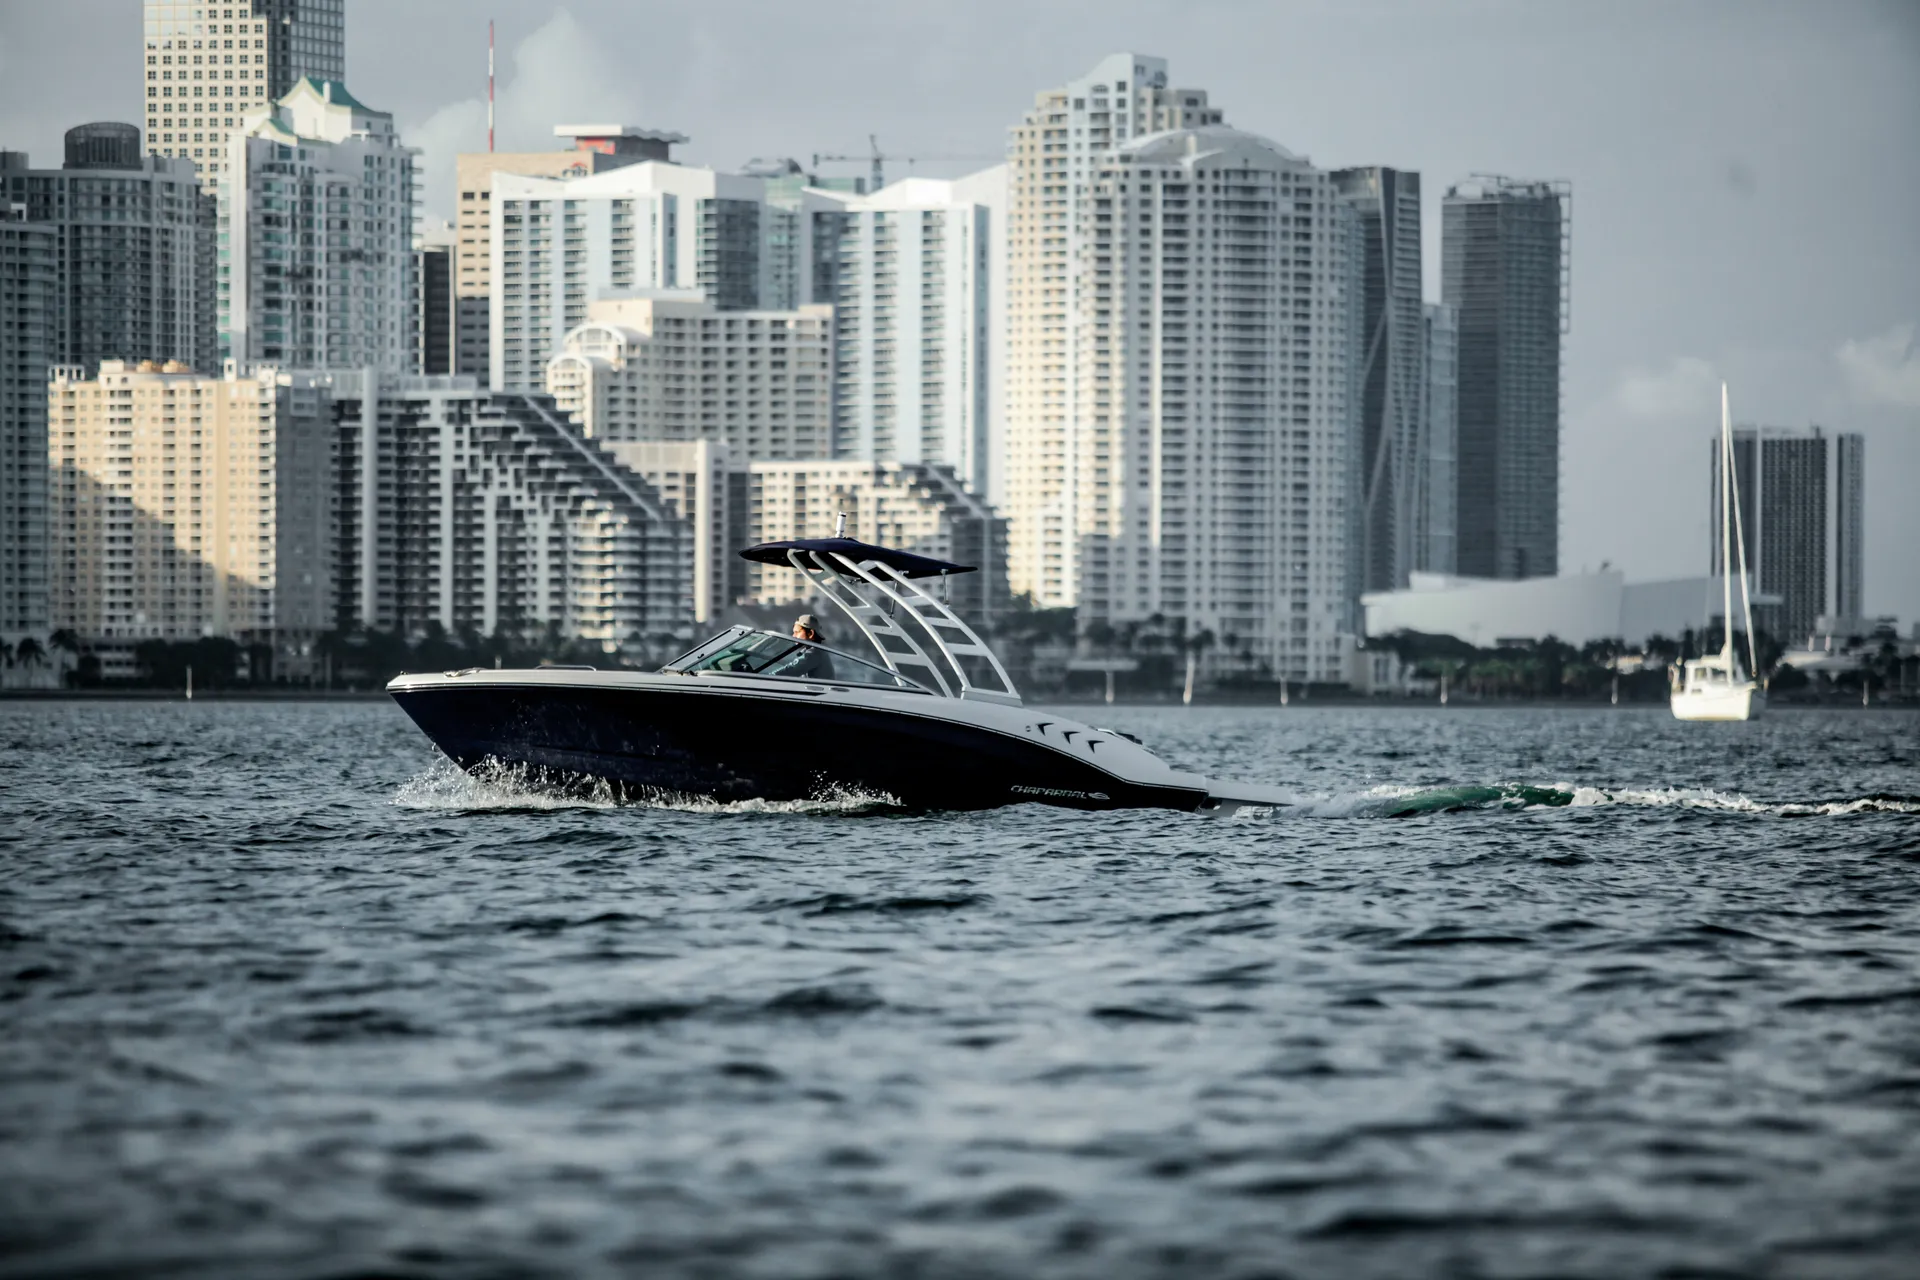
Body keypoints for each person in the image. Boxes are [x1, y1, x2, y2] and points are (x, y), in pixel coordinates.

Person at [780, 613, 835, 679]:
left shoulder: (815, 653)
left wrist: (769, 676)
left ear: (810, 634)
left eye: (797, 632)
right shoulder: (815, 651)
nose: (793, 636)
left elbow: (791, 670)